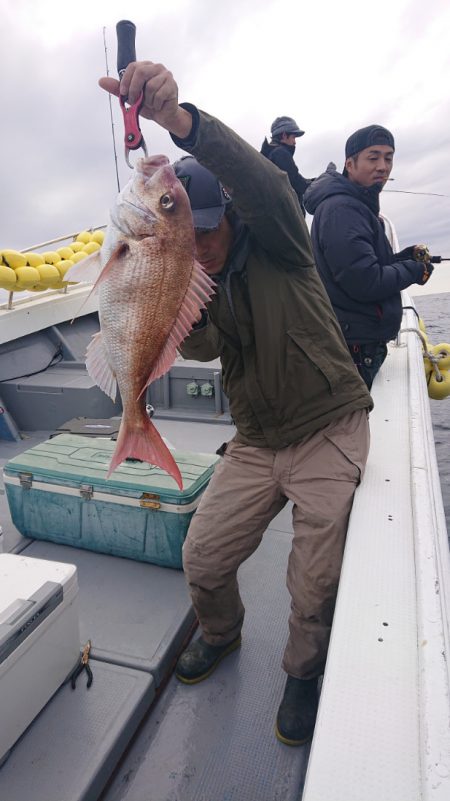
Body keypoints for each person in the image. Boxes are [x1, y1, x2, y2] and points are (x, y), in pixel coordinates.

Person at [99, 62, 373, 747]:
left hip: (326, 427)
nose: (205, 246)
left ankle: (303, 672)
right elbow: (190, 346)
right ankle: (221, 632)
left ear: (228, 216)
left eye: (211, 229)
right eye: (192, 238)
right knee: (204, 556)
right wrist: (165, 302)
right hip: (256, 438)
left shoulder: (281, 240)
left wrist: (181, 121)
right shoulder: (192, 274)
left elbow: (264, 181)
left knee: (312, 583)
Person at [304, 125, 434, 389]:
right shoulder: (343, 209)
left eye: (388, 158)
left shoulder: (355, 205)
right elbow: (365, 282)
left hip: (357, 339)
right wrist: (413, 271)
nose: (383, 167)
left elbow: (364, 267)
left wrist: (404, 258)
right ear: (350, 164)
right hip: (354, 347)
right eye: (373, 158)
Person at [260, 116, 312, 215]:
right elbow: (298, 183)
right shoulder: (280, 153)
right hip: (285, 217)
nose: (295, 141)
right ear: (284, 135)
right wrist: (323, 182)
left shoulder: (268, 154)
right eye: (293, 137)